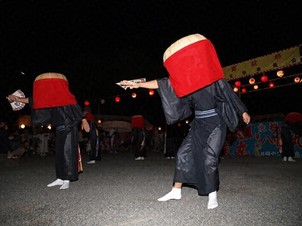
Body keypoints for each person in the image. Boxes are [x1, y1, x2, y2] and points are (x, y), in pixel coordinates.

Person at [120, 34, 251, 209]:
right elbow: (162, 83)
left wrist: (243, 111)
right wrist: (137, 85)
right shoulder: (186, 81)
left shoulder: (212, 78)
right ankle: (176, 191)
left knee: (209, 158)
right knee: (182, 154)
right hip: (198, 125)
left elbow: (229, 94)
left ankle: (212, 194)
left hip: (216, 123)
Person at [7, 72, 90, 189]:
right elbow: (33, 100)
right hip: (60, 129)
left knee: (67, 152)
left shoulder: (65, 97)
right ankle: (60, 177)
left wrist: (84, 120)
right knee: (59, 154)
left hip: (69, 127)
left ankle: (67, 179)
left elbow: (76, 108)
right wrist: (17, 98)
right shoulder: (48, 99)